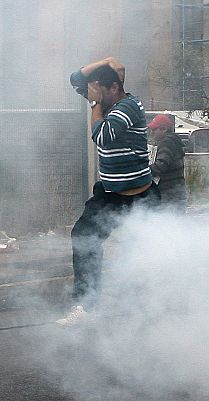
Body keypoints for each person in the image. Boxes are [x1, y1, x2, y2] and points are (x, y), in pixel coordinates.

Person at [57, 57, 159, 326]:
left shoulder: (128, 107)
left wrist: (94, 103)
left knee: (149, 251)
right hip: (111, 194)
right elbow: (74, 79)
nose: (92, 97)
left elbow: (101, 136)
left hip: (141, 197)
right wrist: (106, 63)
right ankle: (85, 305)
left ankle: (155, 306)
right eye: (93, 94)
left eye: (98, 92)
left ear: (113, 88)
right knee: (84, 237)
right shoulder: (105, 99)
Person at [147, 114, 187, 210]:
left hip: (169, 194)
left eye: (154, 129)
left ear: (163, 129)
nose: (151, 133)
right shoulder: (173, 141)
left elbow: (161, 165)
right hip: (176, 192)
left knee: (169, 222)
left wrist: (144, 171)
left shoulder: (166, 143)